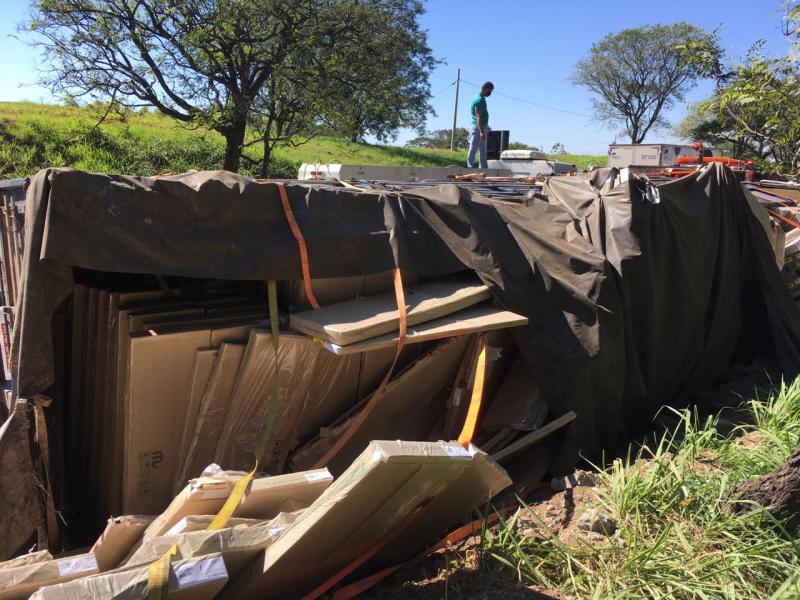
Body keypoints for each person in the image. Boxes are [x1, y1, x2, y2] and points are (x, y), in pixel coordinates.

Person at [467, 81, 494, 169]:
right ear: (485, 88)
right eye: (489, 91)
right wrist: (482, 131)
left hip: (479, 126)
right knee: (474, 147)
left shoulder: (477, 96)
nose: (490, 93)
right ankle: (470, 167)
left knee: (482, 150)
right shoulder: (480, 100)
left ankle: (483, 168)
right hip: (478, 127)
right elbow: (478, 116)